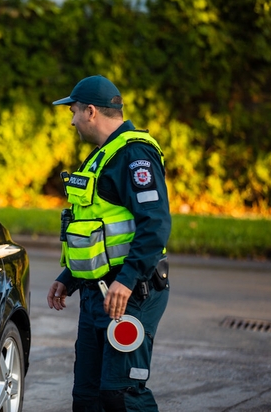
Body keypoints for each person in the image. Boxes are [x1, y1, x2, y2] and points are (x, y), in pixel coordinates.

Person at [47, 75, 171, 411]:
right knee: (88, 397)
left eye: (73, 111)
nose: (71, 120)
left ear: (90, 111)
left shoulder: (134, 155)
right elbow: (99, 229)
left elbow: (155, 225)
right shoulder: (102, 156)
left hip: (129, 295)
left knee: (122, 395)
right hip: (97, 295)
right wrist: (69, 278)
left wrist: (126, 281)